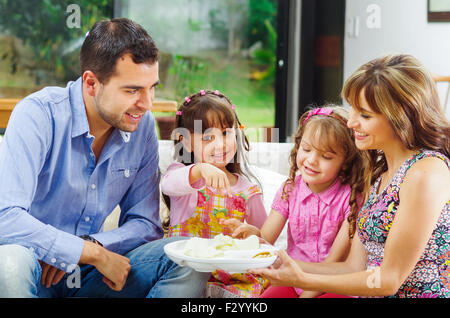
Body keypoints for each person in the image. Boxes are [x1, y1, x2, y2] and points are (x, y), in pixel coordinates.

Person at [0, 18, 209, 298]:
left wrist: (91, 247)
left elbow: (146, 224)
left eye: (152, 88)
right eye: (132, 90)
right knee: (9, 263)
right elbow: (6, 217)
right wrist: (82, 252)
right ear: (91, 83)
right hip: (33, 269)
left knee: (189, 256)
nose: (147, 104)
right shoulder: (38, 115)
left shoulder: (142, 125)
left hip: (92, 277)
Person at [250, 54, 450, 298]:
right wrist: (275, 263)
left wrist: (304, 279)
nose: (351, 122)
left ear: (401, 119)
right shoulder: (380, 176)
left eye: (365, 115)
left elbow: (389, 280)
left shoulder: (426, 172)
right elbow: (352, 268)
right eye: (353, 110)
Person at [222, 105, 365, 298]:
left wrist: (305, 295)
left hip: (333, 285)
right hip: (291, 280)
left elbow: (334, 263)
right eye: (306, 149)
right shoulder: (289, 190)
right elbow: (266, 241)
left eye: (326, 156)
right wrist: (252, 234)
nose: (312, 160)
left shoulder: (351, 199)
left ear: (346, 161)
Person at [160, 89, 268, 297]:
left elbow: (264, 238)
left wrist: (251, 234)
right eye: (208, 137)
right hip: (185, 276)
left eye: (226, 133)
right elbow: (168, 185)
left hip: (233, 281)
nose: (221, 144)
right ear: (187, 142)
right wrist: (200, 169)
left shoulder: (248, 191)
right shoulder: (183, 178)